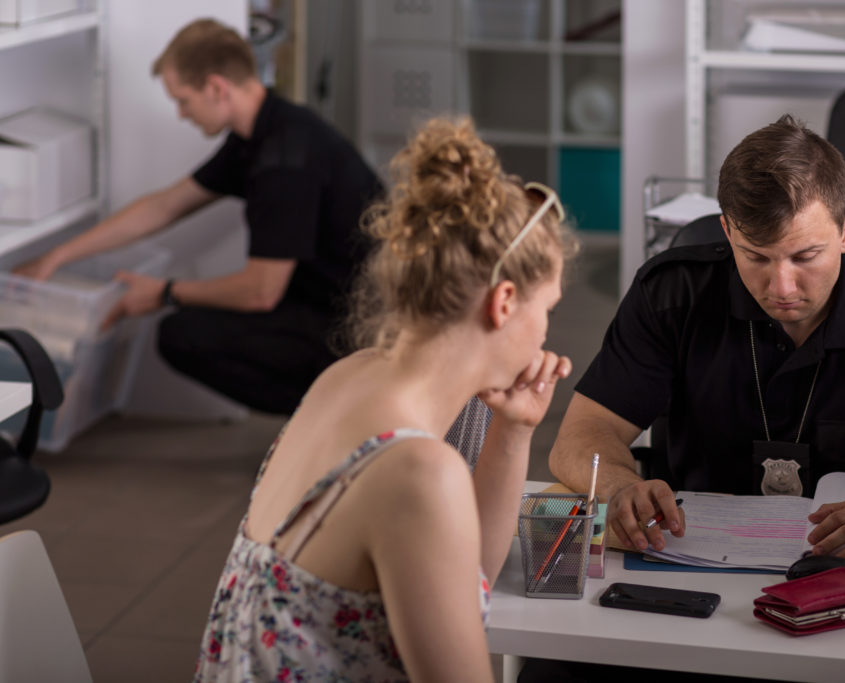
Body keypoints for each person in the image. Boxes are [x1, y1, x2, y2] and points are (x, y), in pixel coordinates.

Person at [191, 116, 576, 681]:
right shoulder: (420, 471)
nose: (545, 333)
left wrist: (513, 431)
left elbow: (468, 582)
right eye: (548, 308)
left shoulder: (348, 377)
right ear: (504, 301)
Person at [548, 114, 845, 569]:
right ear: (727, 232)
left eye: (805, 256)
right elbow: (581, 436)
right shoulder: (671, 294)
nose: (781, 286)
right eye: (756, 256)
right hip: (691, 564)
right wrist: (620, 488)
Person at [15, 18, 383, 415]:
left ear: (216, 88)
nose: (181, 114)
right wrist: (56, 256)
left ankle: (336, 416)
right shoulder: (263, 132)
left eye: (183, 100)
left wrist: (164, 292)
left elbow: (261, 291)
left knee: (182, 335)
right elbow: (165, 206)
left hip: (356, 328)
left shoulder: (283, 161)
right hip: (332, 304)